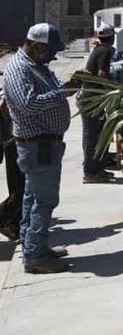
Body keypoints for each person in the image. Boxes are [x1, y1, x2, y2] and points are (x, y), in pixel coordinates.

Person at [2, 23, 72, 273]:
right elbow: (27, 105)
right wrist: (63, 93)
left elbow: (55, 82)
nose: (53, 55)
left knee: (32, 199)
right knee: (44, 201)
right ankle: (35, 257)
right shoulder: (18, 69)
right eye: (49, 50)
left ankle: (35, 248)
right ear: (34, 45)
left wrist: (75, 81)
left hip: (44, 145)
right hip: (37, 146)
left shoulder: (37, 66)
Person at [78, 23, 117, 184]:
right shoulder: (106, 51)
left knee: (93, 135)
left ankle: (96, 168)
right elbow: (102, 74)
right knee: (94, 137)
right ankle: (91, 172)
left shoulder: (97, 49)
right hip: (93, 100)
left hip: (88, 98)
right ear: (112, 37)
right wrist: (116, 91)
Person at [0, 77, 24, 241]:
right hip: (12, 138)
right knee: (19, 187)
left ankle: (13, 222)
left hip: (9, 138)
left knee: (20, 186)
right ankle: (6, 221)